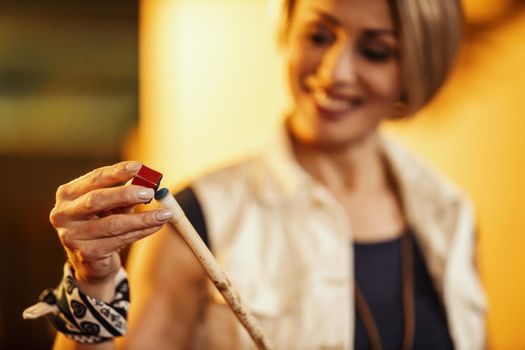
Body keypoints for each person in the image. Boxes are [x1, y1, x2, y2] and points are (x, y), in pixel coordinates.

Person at [35, 0, 487, 348]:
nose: (335, 72)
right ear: (287, 30)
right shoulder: (194, 219)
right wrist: (93, 286)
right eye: (319, 35)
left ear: (416, 69)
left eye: (375, 51)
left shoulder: (449, 212)